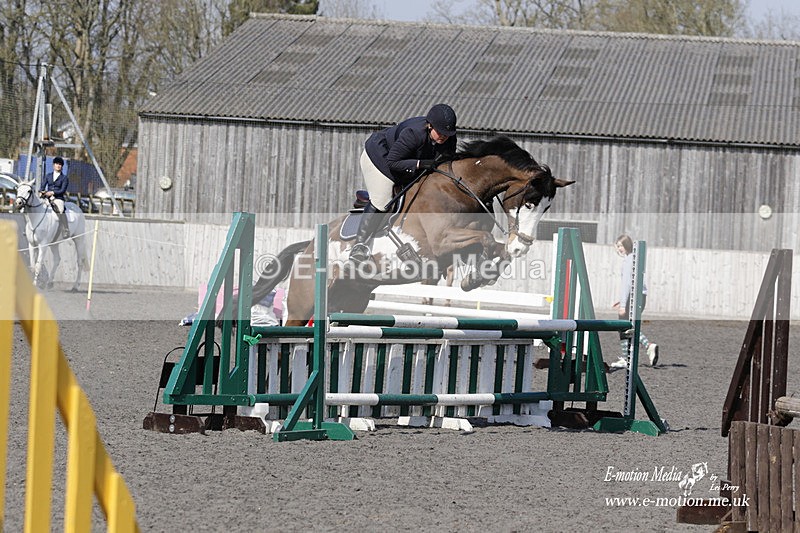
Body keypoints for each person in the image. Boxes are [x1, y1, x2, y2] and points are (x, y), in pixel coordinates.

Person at [349, 103, 458, 263]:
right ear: (430, 126)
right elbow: (392, 162)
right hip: (380, 158)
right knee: (383, 200)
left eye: (447, 134)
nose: (443, 137)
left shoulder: (449, 138)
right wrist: (420, 164)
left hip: (404, 162)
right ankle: (359, 246)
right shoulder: (414, 134)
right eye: (440, 132)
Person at [610, 234, 659, 369]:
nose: (619, 249)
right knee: (629, 326)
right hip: (640, 296)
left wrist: (623, 304)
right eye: (618, 246)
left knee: (624, 327)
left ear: (626, 245)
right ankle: (647, 347)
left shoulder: (628, 260)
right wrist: (621, 300)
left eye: (620, 245)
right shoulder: (635, 259)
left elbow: (626, 283)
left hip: (633, 296)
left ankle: (638, 351)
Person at [40, 156, 69, 237]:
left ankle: (66, 229)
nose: (58, 165)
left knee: (60, 209)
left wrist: (52, 192)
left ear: (62, 166)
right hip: (47, 198)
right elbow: (42, 186)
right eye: (57, 164)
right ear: (53, 165)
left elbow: (62, 190)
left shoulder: (64, 178)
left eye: (60, 164)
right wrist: (41, 192)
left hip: (58, 198)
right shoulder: (48, 176)